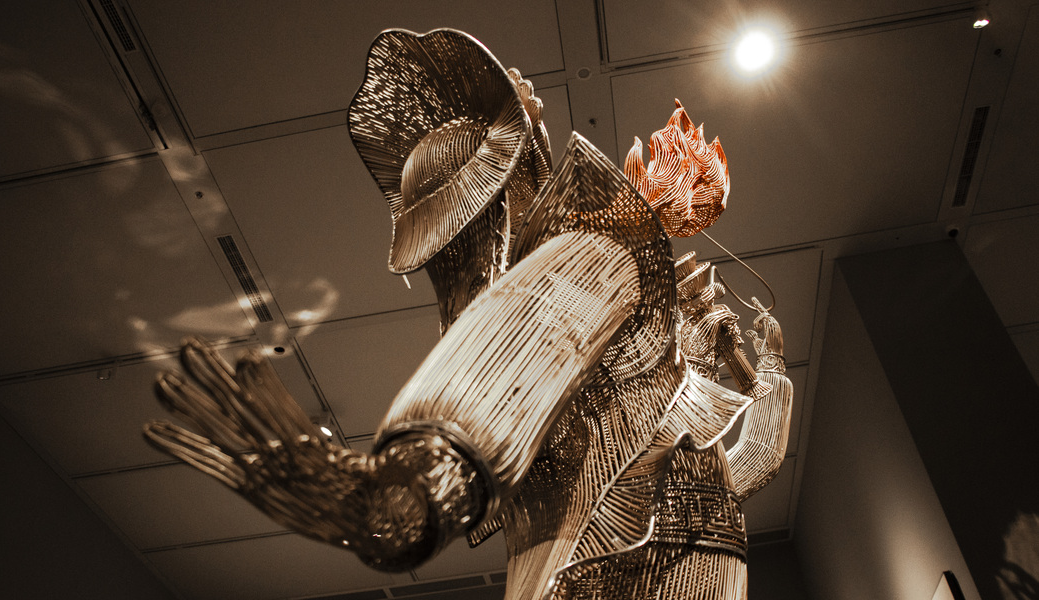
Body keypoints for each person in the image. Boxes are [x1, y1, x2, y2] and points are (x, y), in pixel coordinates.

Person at [145, 28, 792, 599]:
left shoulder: (647, 353)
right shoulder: (606, 261)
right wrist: (413, 491)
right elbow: (518, 360)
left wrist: (769, 376)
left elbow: (746, 466)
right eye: (525, 133)